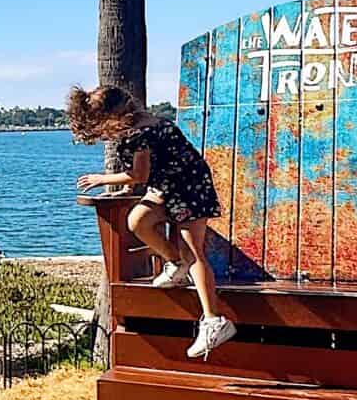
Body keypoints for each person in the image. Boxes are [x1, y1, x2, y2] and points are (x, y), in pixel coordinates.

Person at [68, 83, 236, 361]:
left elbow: (140, 175)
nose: (103, 133)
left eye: (101, 125)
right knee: (138, 221)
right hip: (166, 187)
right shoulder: (141, 125)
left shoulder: (139, 134)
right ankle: (175, 264)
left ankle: (214, 321)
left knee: (192, 251)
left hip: (188, 188)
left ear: (114, 116)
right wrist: (131, 189)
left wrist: (102, 179)